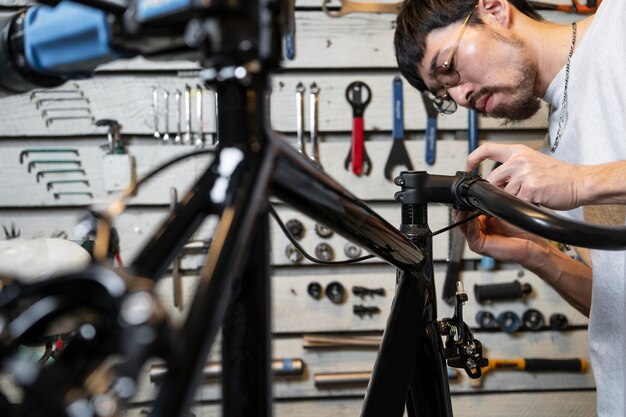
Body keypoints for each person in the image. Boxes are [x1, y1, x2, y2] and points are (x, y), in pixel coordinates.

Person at [394, 0, 626, 416]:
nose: (460, 94)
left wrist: (579, 182)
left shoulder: (620, 28)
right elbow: (614, 303)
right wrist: (537, 253)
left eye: (448, 67)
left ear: (493, 9)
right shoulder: (555, 143)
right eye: (444, 94)